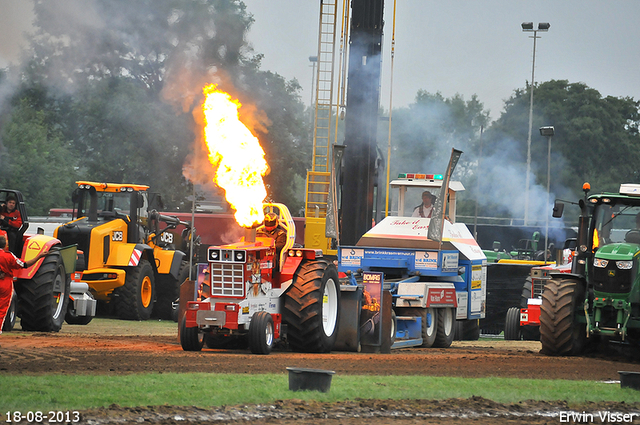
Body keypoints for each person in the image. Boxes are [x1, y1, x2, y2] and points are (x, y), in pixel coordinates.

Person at [0, 235, 48, 333]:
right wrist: (39, 256)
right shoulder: (8, 256)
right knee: (2, 309)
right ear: (5, 245)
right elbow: (24, 264)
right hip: (5, 282)